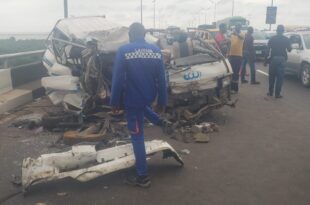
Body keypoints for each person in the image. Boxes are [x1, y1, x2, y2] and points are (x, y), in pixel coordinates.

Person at [110, 22, 167, 188]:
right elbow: (162, 79)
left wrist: (114, 101)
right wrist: (162, 101)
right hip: (148, 96)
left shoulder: (124, 51)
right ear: (144, 34)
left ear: (130, 35)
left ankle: (142, 177)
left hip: (132, 100)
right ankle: (160, 121)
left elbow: (118, 79)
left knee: (137, 136)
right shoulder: (156, 51)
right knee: (142, 106)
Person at [264, 25, 292, 98]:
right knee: (280, 78)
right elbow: (289, 49)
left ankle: (270, 92)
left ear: (277, 31)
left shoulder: (272, 38)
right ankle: (277, 94)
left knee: (271, 77)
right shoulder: (286, 39)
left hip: (273, 59)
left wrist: (265, 60)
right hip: (282, 59)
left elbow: (267, 50)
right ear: (283, 31)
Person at [228, 23, 245, 92]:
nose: (237, 28)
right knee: (231, 72)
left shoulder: (242, 34)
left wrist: (236, 33)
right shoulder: (232, 35)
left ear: (240, 27)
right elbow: (230, 42)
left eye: (238, 27)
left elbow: (241, 37)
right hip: (231, 55)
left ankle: (235, 89)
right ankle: (231, 88)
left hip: (238, 56)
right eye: (236, 27)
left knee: (236, 72)